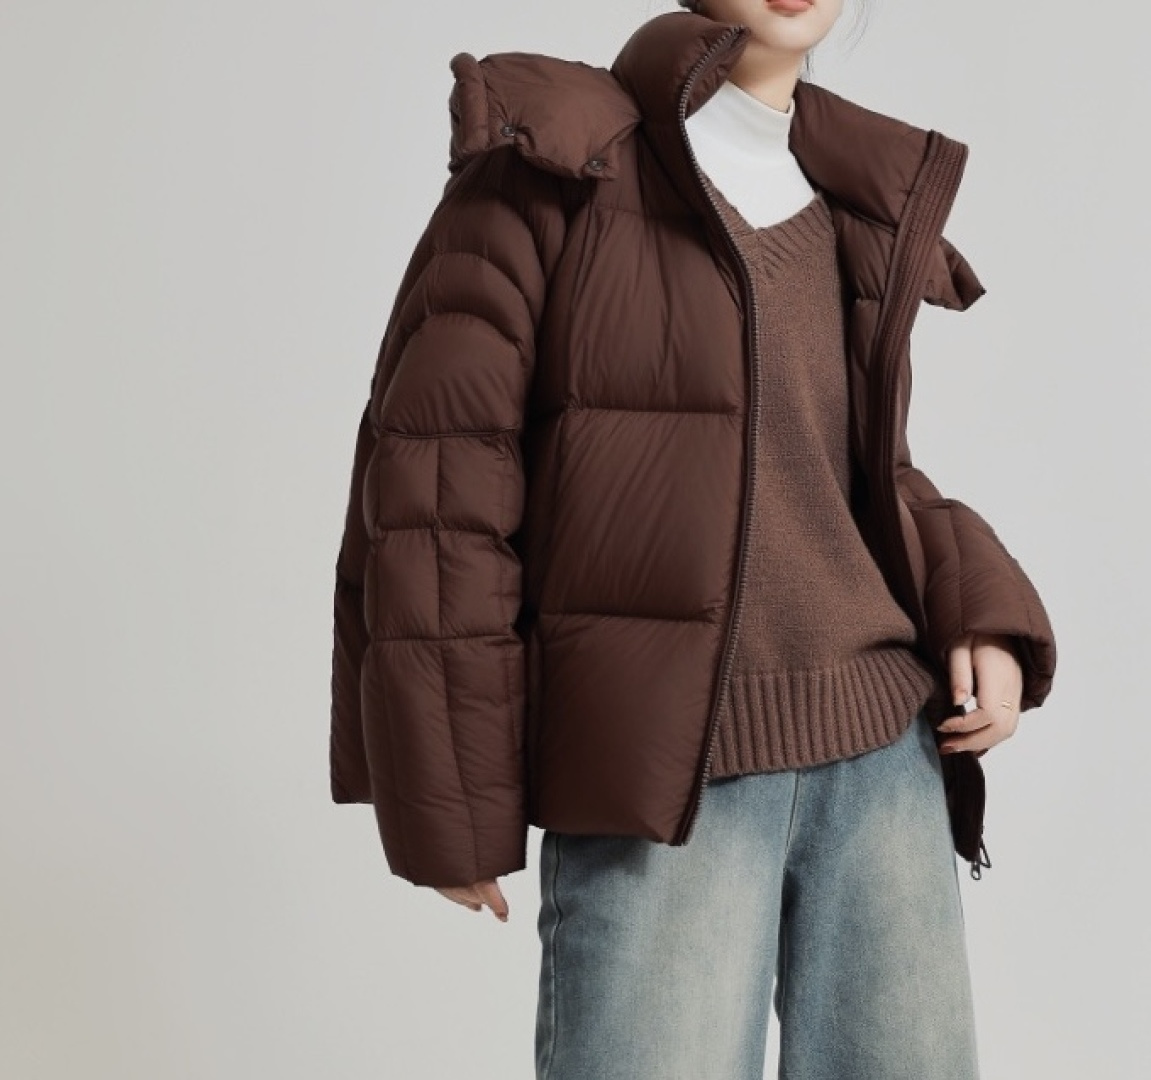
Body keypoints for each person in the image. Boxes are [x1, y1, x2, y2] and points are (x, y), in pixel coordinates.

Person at [329, 2, 1057, 1076]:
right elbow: (438, 491)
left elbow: (850, 472)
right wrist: (448, 792)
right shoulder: (553, 162)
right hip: (666, 775)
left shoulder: (851, 191)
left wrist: (978, 612)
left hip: (882, 761)